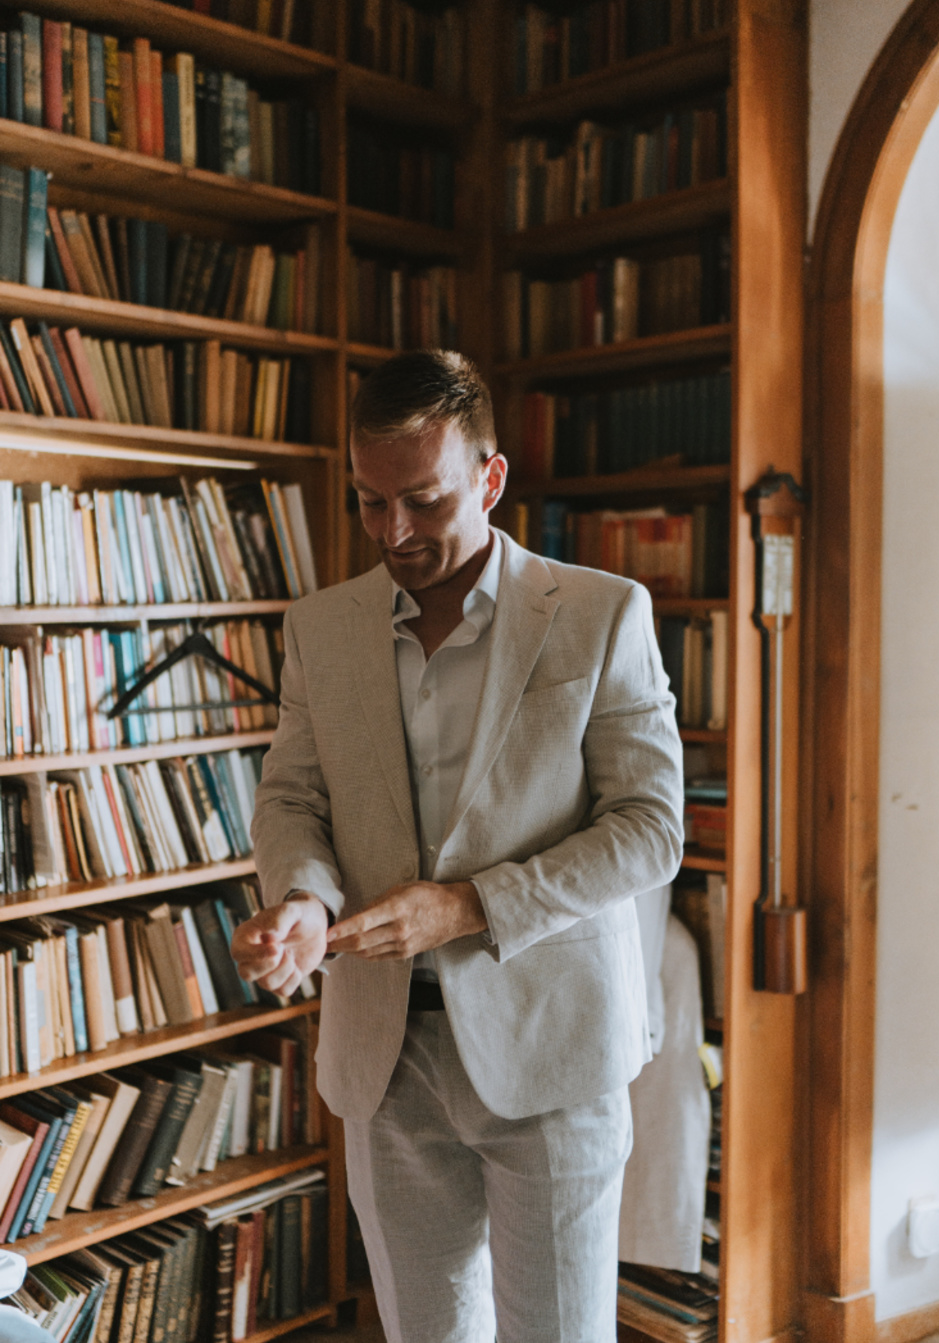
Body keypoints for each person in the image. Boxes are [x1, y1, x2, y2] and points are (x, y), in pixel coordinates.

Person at [231, 349, 684, 1343]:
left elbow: (650, 829)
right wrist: (303, 899)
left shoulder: (603, 613)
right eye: (369, 501)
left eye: (424, 501)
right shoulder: (319, 628)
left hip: (553, 1046)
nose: (393, 531)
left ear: (490, 478)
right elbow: (294, 797)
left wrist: (471, 904)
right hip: (383, 1055)